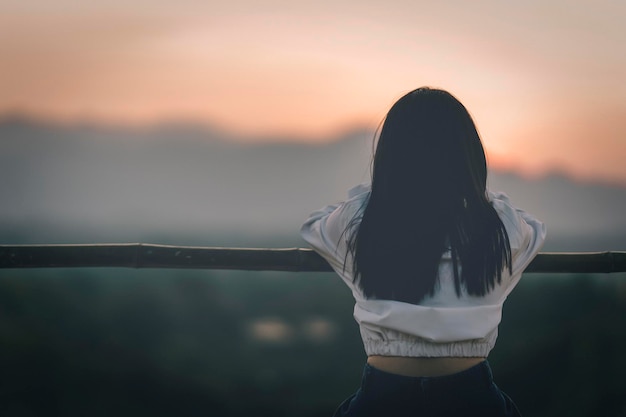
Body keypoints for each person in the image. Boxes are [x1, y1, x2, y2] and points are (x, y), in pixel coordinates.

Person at [300, 87, 546, 417]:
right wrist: (471, 193)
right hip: (474, 399)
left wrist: (385, 193)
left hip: (381, 400)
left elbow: (315, 223)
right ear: (467, 156)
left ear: (389, 157)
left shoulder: (359, 223)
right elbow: (533, 226)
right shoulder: (500, 227)